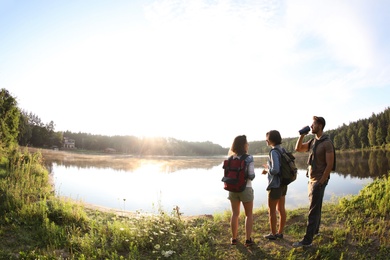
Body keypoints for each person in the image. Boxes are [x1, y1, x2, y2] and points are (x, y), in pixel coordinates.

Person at [292, 116, 336, 248]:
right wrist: (302, 135)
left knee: (313, 210)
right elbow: (298, 149)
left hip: (318, 181)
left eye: (313, 124)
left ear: (320, 126)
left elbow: (329, 165)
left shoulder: (326, 143)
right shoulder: (312, 142)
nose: (311, 126)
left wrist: (320, 182)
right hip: (312, 180)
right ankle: (315, 231)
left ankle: (307, 240)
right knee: (316, 207)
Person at [227, 135, 255, 247]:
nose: (248, 144)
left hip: (232, 189)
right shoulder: (249, 158)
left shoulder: (230, 158)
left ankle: (234, 239)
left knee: (235, 214)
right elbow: (251, 176)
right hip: (246, 188)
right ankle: (248, 240)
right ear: (244, 145)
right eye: (247, 142)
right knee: (249, 214)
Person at [262, 130, 287, 240]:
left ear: (271, 139)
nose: (266, 140)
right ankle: (280, 233)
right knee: (281, 209)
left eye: (267, 138)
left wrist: (267, 169)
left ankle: (273, 234)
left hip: (275, 185)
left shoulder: (273, 152)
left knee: (272, 211)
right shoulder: (282, 150)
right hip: (283, 184)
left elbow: (275, 169)